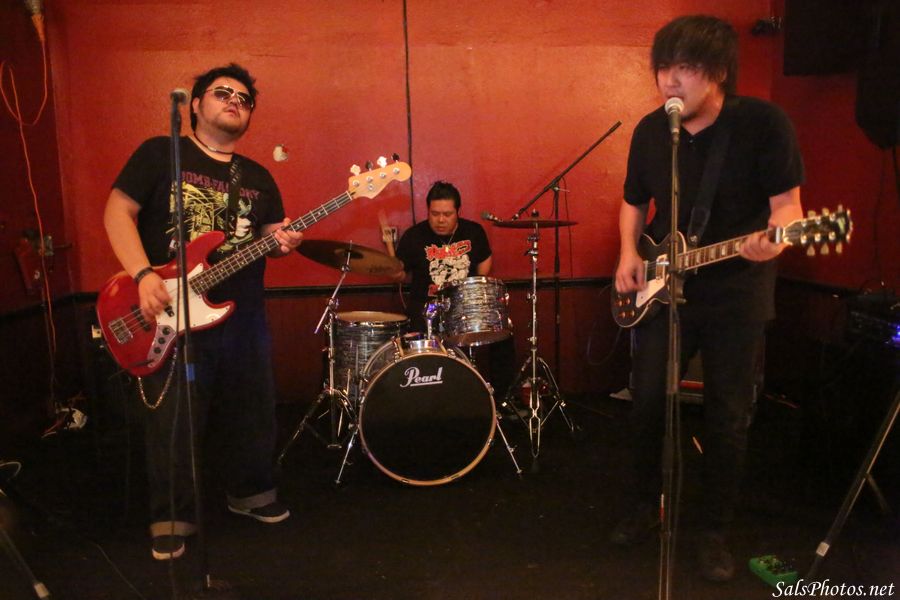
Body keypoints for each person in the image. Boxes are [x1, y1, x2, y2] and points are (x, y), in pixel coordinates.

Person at [610, 15, 804, 582]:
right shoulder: (652, 131)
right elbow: (633, 201)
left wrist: (777, 239)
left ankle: (713, 531)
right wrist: (628, 253)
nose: (670, 80)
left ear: (718, 71)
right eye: (663, 68)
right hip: (662, 288)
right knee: (647, 402)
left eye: (686, 68)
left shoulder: (763, 124)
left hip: (735, 292)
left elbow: (789, 209)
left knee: (727, 416)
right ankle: (644, 506)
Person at [103, 63, 303, 561]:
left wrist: (282, 242)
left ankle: (252, 493)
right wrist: (143, 275)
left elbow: (269, 238)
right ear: (195, 105)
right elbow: (117, 211)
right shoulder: (160, 153)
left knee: (252, 408)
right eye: (222, 92)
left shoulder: (258, 177)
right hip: (168, 308)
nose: (235, 101)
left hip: (243, 312)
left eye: (244, 98)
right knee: (172, 417)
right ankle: (172, 513)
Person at [392, 181, 514, 398]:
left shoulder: (473, 232)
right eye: (435, 213)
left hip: (464, 308)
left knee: (501, 332)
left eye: (447, 214)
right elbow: (402, 273)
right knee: (415, 336)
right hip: (426, 310)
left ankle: (501, 399)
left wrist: (472, 289)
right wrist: (389, 266)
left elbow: (485, 262)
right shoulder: (414, 236)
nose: (440, 220)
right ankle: (426, 398)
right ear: (428, 210)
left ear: (458, 211)